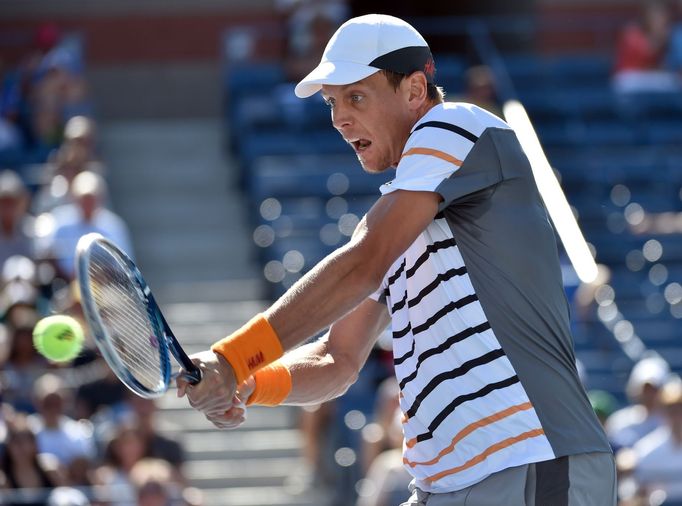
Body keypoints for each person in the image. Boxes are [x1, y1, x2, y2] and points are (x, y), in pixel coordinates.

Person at [179, 14, 616, 505]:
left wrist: (232, 358)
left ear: (414, 90)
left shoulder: (457, 125)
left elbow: (364, 262)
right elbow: (336, 360)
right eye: (332, 103)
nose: (339, 118)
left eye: (356, 97)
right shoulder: (396, 219)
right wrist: (248, 382)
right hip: (443, 485)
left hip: (529, 457)